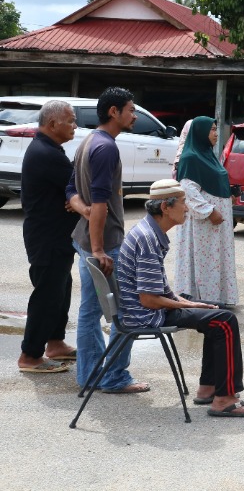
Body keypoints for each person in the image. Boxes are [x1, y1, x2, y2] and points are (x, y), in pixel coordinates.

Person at [115, 179, 244, 417]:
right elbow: (149, 300)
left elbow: (159, 291)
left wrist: (190, 303)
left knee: (216, 313)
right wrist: (186, 304)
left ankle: (208, 388)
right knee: (225, 321)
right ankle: (224, 399)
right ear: (165, 207)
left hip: (148, 310)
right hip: (147, 315)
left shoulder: (149, 231)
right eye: (183, 202)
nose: (187, 207)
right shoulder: (148, 239)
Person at [66, 86, 148, 394]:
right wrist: (100, 248)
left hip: (87, 240)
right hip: (102, 244)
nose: (134, 116)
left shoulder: (89, 141)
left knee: (90, 311)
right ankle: (114, 377)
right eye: (131, 110)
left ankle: (90, 375)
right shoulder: (105, 147)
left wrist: (84, 211)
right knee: (125, 312)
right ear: (114, 112)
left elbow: (71, 191)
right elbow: (99, 201)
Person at [18, 101, 85, 373]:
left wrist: (72, 200)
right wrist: (74, 200)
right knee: (47, 295)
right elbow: (80, 188)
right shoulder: (46, 153)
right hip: (47, 237)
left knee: (62, 288)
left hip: (56, 236)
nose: (74, 126)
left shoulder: (50, 149)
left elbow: (72, 191)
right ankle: (30, 355)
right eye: (70, 120)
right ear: (53, 124)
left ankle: (55, 342)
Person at [174, 116, 239, 306]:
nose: (216, 133)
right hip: (203, 224)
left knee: (216, 259)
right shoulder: (190, 158)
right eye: (211, 129)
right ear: (200, 132)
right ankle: (202, 298)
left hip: (215, 226)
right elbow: (188, 190)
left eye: (216, 129)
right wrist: (210, 211)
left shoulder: (209, 156)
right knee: (204, 260)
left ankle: (218, 297)